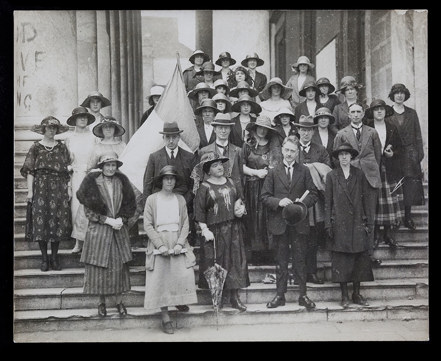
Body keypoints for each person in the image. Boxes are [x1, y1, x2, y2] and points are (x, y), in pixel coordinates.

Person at [261, 135, 318, 310]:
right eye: (287, 150)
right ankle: (280, 295)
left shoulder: (305, 171)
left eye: (293, 151)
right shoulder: (273, 171)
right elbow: (264, 197)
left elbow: (313, 194)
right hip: (279, 223)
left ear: (297, 152)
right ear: (282, 150)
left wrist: (300, 205)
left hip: (299, 223)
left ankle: (303, 295)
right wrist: (279, 202)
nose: (289, 154)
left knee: (300, 260)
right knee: (281, 261)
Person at [76, 152, 136, 318]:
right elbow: (88, 210)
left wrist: (121, 220)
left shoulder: (121, 182)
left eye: (113, 165)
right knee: (99, 268)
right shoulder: (93, 183)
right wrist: (106, 220)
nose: (110, 168)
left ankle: (119, 302)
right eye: (107, 165)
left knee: (118, 267)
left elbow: (130, 205)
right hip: (99, 231)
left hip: (117, 230)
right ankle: (101, 303)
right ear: (101, 166)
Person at [143, 165, 198, 334]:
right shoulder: (152, 199)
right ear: (161, 181)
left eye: (172, 178)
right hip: (160, 241)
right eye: (166, 178)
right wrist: (159, 244)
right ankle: (165, 317)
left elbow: (185, 224)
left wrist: (180, 243)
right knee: (161, 279)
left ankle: (180, 301)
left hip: (177, 241)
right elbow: (148, 224)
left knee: (182, 273)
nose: (169, 181)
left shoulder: (180, 199)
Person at [193, 152, 249, 311]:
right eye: (215, 165)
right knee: (217, 263)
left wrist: (241, 208)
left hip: (233, 228)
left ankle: (234, 297)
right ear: (208, 170)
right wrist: (204, 229)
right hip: (215, 231)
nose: (219, 167)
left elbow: (239, 199)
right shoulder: (204, 188)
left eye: (220, 164)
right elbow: (199, 211)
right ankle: (218, 298)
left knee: (235, 262)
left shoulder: (231, 182)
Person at [324, 142, 374, 308]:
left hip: (357, 223)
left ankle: (356, 294)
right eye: (341, 154)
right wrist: (328, 225)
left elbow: (366, 199)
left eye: (347, 154)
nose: (344, 157)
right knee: (342, 261)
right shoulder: (332, 176)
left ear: (351, 156)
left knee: (358, 260)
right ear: (337, 157)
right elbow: (327, 202)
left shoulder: (359, 174)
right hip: (339, 224)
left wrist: (367, 222)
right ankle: (344, 295)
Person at [333, 102, 382, 266]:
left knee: (370, 216)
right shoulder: (341, 134)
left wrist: (370, 169)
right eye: (352, 111)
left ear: (363, 114)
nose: (355, 114)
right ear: (348, 114)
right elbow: (336, 157)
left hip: (370, 178)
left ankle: (368, 253)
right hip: (350, 177)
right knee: (352, 215)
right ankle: (353, 252)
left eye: (358, 111)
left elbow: (378, 155)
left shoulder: (372, 132)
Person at [20, 116, 72, 272]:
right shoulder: (35, 147)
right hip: (41, 187)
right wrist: (30, 191)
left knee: (57, 221)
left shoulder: (61, 147)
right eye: (49, 127)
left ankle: (54, 257)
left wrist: (68, 188)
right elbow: (30, 171)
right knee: (41, 221)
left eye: (54, 128)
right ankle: (44, 258)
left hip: (59, 188)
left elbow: (67, 170)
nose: (52, 130)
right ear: (43, 129)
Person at [142, 121, 197, 246]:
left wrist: (183, 201)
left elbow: (194, 184)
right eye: (168, 137)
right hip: (160, 205)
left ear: (179, 138)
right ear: (163, 138)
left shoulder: (189, 157)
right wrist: (149, 206)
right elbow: (148, 184)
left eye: (174, 137)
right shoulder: (154, 157)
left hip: (184, 205)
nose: (171, 141)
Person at [294, 114, 332, 284]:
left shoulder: (320, 149)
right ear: (298, 130)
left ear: (313, 131)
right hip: (297, 197)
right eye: (303, 130)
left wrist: (313, 168)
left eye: (309, 130)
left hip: (315, 200)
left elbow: (328, 171)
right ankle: (298, 273)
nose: (306, 133)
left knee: (313, 237)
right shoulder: (292, 148)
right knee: (298, 237)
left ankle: (311, 271)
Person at [242, 115, 282, 264]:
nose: (262, 131)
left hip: (268, 187)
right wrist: (255, 172)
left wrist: (269, 172)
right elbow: (241, 166)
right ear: (255, 128)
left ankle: (270, 254)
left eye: (265, 128)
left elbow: (278, 164)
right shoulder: (248, 145)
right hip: (252, 187)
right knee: (254, 219)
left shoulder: (273, 145)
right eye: (260, 127)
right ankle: (255, 255)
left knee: (268, 219)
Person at [365, 99, 404, 248]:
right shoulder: (368, 127)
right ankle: (375, 234)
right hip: (373, 168)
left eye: (381, 109)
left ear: (385, 111)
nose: (379, 112)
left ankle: (388, 233)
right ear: (372, 113)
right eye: (376, 109)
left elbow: (401, 148)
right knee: (374, 201)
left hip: (389, 168)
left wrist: (392, 153)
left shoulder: (392, 127)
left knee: (388, 201)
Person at [388, 83, 425, 230]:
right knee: (395, 186)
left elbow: (418, 135)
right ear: (392, 95)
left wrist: (418, 155)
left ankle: (407, 217)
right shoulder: (388, 113)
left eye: (402, 93)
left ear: (405, 95)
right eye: (396, 93)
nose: (399, 95)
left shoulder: (411, 113)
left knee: (409, 187)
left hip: (410, 156)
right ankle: (395, 218)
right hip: (394, 155)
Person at [64, 106, 97, 254]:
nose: (83, 119)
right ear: (75, 120)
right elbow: (66, 161)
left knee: (92, 208)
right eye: (80, 117)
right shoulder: (69, 138)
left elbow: (98, 156)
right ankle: (78, 242)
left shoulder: (94, 137)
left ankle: (92, 243)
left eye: (85, 117)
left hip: (91, 176)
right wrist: (69, 183)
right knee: (77, 208)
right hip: (76, 175)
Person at [197, 113, 244, 199]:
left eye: (226, 128)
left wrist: (241, 200)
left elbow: (239, 178)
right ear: (214, 129)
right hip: (211, 198)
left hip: (233, 197)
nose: (223, 131)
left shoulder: (238, 151)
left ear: (230, 130)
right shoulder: (204, 151)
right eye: (220, 127)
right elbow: (200, 178)